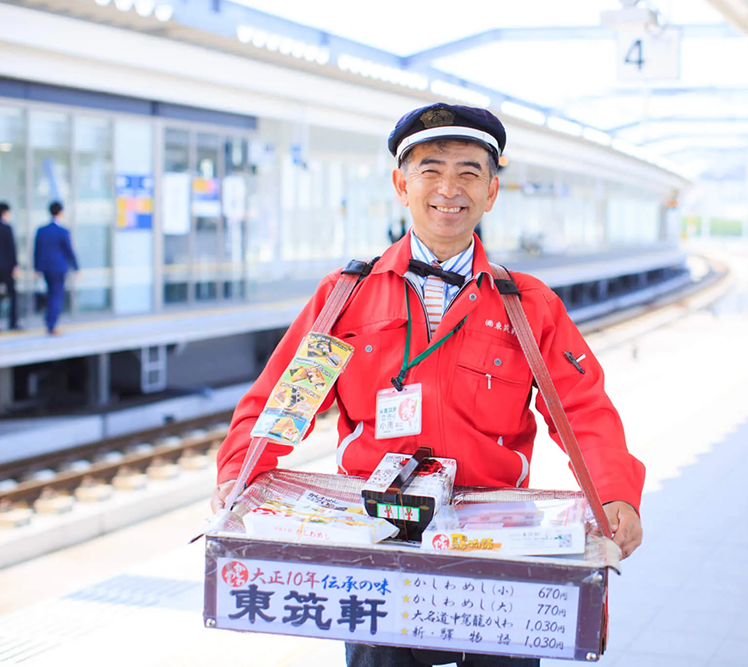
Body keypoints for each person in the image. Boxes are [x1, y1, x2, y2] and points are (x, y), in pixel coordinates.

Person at [213, 103, 645, 667]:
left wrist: (614, 493)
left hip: (496, 538)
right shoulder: (347, 295)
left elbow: (583, 406)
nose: (449, 188)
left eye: (469, 172)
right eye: (430, 169)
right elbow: (287, 397)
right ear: (401, 184)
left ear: (491, 191)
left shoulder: (528, 305)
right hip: (377, 533)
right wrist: (239, 476)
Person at [34, 201, 77, 335]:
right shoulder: (62, 231)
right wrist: (76, 267)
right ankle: (51, 325)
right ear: (60, 212)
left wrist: (37, 268)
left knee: (50, 294)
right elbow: (69, 250)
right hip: (59, 268)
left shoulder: (41, 230)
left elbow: (37, 250)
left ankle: (49, 321)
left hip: (46, 268)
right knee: (56, 296)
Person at [0, 202, 21, 331]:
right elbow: (12, 249)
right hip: (7, 268)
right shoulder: (7, 228)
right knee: (13, 294)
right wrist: (15, 265)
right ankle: (13, 323)